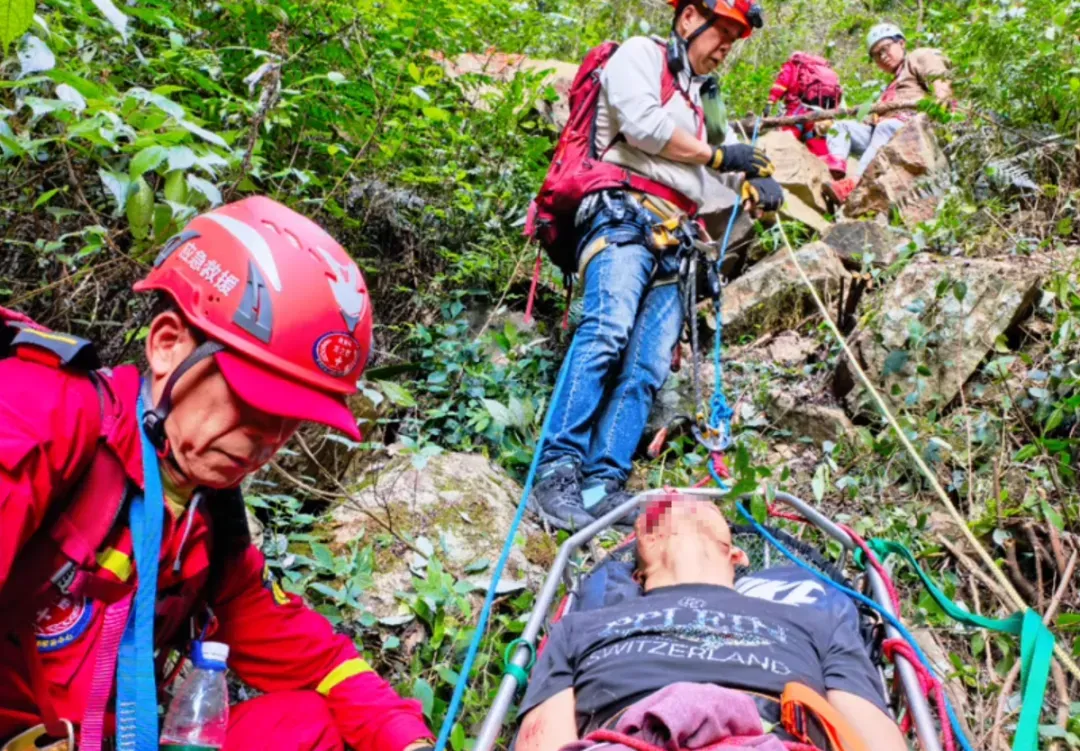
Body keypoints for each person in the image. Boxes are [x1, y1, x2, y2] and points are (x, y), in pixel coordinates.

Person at [0, 198, 434, 751]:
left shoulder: (206, 530)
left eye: (293, 420)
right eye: (254, 400)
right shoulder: (39, 415)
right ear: (167, 345)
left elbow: (321, 662)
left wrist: (410, 743)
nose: (267, 440)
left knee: (308, 724)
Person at [529, 0, 785, 532]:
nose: (725, 50)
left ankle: (602, 482)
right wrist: (720, 157)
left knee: (646, 366)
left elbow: (715, 166)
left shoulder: (704, 99)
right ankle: (556, 471)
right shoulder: (639, 55)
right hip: (623, 211)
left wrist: (753, 182)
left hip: (679, 236)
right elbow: (643, 126)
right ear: (690, 18)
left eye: (735, 42)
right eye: (724, 35)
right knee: (606, 331)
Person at [515, 499, 908, 751]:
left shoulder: (815, 621)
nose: (678, 501)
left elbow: (874, 738)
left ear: (738, 555)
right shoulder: (579, 627)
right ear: (636, 575)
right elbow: (542, 741)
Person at [822, 22, 953, 204]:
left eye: (885, 48)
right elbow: (871, 121)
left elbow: (939, 78)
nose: (883, 56)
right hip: (883, 132)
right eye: (876, 55)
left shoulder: (917, 56)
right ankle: (836, 172)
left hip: (910, 127)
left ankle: (854, 185)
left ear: (901, 43)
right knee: (842, 126)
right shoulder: (889, 87)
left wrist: (941, 97)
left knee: (886, 126)